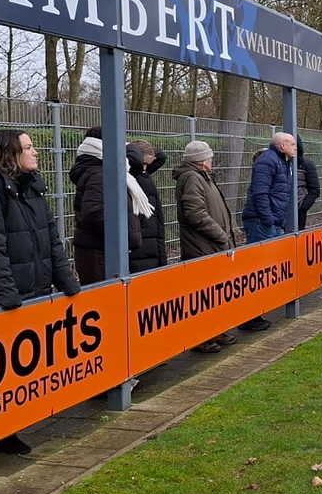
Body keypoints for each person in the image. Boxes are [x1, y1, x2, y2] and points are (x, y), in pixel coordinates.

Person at [0, 129, 81, 455]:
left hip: (32, 290)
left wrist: (65, 280)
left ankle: (9, 427)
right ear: (10, 154)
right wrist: (7, 296)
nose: (35, 152)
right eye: (28, 148)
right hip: (5, 298)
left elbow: (51, 239)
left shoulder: (33, 187)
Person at [173, 140, 239, 353]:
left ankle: (215, 330)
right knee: (202, 294)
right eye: (210, 157)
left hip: (211, 244)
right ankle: (200, 336)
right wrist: (221, 235)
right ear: (202, 161)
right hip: (202, 246)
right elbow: (195, 213)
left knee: (214, 292)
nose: (212, 160)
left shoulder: (202, 177)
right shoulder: (192, 177)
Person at [69, 127, 146, 284]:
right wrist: (124, 230)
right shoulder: (100, 173)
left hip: (100, 250)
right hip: (99, 251)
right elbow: (94, 213)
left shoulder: (101, 170)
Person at [239, 132, 297, 330]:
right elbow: (260, 193)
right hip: (261, 223)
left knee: (266, 268)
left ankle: (256, 313)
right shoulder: (268, 162)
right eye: (292, 143)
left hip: (270, 222)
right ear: (282, 146)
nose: (295, 146)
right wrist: (269, 219)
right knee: (256, 269)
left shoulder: (283, 162)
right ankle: (249, 316)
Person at [127, 140, 167, 274]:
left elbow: (161, 157)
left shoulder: (143, 174)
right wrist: (131, 149)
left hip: (151, 241)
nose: (145, 168)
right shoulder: (130, 177)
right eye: (143, 163)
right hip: (142, 245)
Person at [296, 136, 322, 230]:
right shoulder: (280, 163)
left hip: (299, 209)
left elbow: (315, 189)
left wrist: (303, 207)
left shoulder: (306, 164)